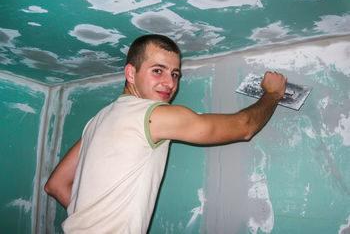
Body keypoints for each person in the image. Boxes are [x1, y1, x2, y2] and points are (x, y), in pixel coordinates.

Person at [45, 34, 286, 233]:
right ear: (131, 74)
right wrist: (273, 94)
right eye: (158, 71)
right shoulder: (153, 115)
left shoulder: (97, 121)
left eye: (175, 74)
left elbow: (55, 184)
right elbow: (244, 127)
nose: (170, 83)